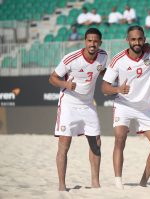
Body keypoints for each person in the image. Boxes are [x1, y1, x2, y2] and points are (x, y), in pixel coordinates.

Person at [101, 25, 150, 189]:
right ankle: (118, 181)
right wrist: (118, 89)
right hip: (123, 104)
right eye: (133, 39)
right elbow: (104, 88)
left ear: (144, 40)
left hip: (144, 108)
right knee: (120, 138)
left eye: (140, 39)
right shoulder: (118, 59)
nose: (136, 42)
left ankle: (143, 182)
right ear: (127, 40)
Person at [49, 28, 108, 191]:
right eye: (89, 40)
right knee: (64, 144)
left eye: (95, 41)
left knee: (96, 143)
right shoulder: (71, 58)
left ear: (100, 43)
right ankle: (62, 185)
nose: (92, 44)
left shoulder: (103, 56)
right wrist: (65, 84)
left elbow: (101, 71)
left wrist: (112, 79)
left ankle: (95, 183)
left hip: (88, 105)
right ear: (85, 41)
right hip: (69, 104)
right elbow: (52, 78)